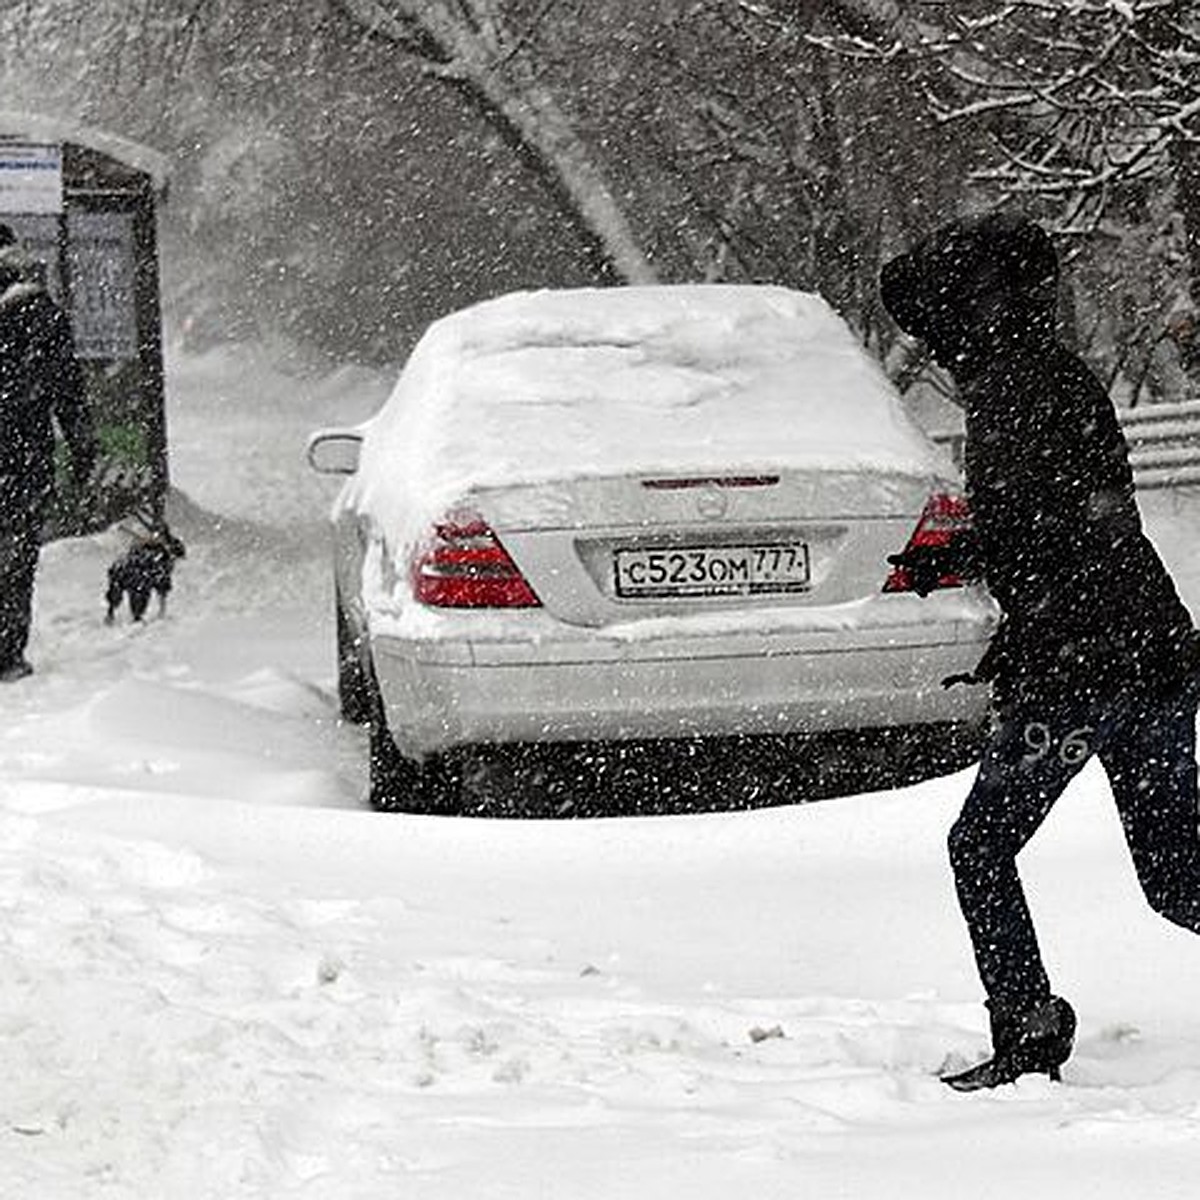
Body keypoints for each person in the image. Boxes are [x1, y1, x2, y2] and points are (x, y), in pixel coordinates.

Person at [879, 211, 1200, 1091]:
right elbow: (1076, 523)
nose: (939, 356)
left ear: (971, 315)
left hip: (1080, 672)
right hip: (1154, 657)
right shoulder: (1057, 376)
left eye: (940, 332)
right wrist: (964, 556)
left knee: (979, 848)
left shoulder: (1013, 394)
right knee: (1180, 883)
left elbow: (1051, 535)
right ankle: (1028, 1024)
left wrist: (1007, 601)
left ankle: (1027, 1029)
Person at [0, 222, 96, 681]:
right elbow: (68, 388)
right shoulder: (39, 311)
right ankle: (7, 652)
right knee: (17, 562)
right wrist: (81, 448)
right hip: (23, 457)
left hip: (21, 454)